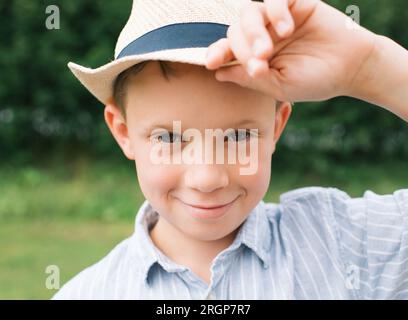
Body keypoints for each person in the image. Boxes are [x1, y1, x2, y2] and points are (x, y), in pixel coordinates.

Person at [53, 0, 408, 299]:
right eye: (170, 139)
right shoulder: (88, 293)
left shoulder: (340, 242)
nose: (207, 177)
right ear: (123, 131)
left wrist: (370, 66)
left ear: (276, 127)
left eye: (238, 138)